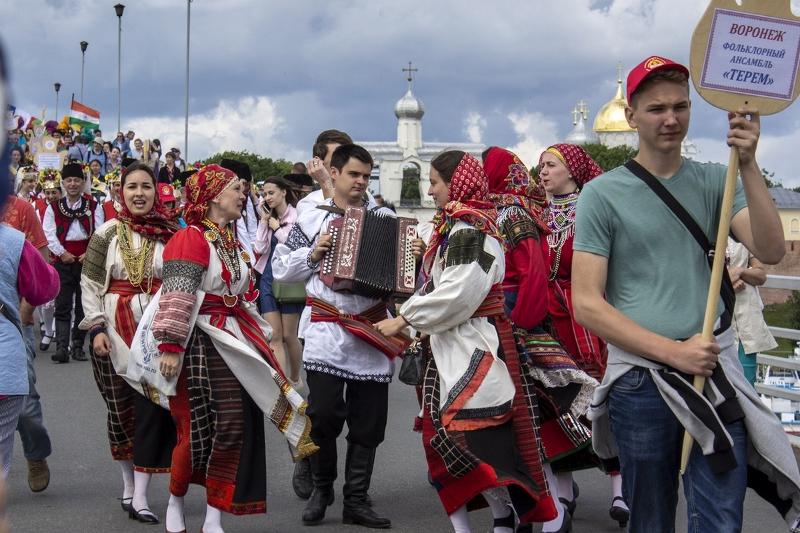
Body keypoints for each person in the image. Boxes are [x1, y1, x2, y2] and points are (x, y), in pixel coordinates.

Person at [573, 56, 800, 532]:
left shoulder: (719, 180)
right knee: (650, 519)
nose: (670, 118)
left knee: (720, 520)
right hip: (643, 380)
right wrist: (673, 352)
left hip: (712, 376)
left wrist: (749, 164)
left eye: (680, 106)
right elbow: (587, 303)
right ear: (631, 115)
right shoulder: (602, 194)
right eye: (656, 109)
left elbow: (771, 249)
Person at [376, 151, 556, 533]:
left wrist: (405, 318)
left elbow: (458, 292)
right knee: (455, 442)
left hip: (473, 341)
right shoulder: (456, 228)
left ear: (455, 183)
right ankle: (500, 517)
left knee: (468, 441)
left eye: (435, 182)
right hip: (451, 342)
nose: (430, 191)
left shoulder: (471, 230)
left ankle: (506, 517)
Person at [150, 164, 315, 533]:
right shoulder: (191, 237)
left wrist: (259, 333)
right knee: (195, 429)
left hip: (234, 341)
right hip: (199, 342)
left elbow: (242, 294)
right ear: (212, 197)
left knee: (233, 427)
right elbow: (177, 294)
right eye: (236, 189)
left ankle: (213, 516)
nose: (244, 196)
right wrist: (170, 345)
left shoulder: (230, 241)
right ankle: (176, 498)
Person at [273, 144, 395, 528]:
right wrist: (313, 253)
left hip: (371, 329)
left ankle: (356, 499)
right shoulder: (312, 217)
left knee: (369, 422)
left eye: (366, 176)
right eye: (354, 174)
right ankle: (322, 489)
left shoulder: (385, 218)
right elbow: (281, 268)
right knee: (323, 414)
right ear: (335, 173)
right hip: (327, 330)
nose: (361, 182)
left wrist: (412, 254)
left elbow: (403, 276)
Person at [80, 161, 179, 525]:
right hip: (114, 332)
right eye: (132, 187)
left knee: (153, 410)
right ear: (120, 192)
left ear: (157, 192)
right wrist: (96, 329)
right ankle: (128, 482)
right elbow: (90, 285)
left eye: (146, 186)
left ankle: (142, 493)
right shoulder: (106, 233)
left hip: (156, 331)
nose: (139, 193)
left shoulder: (171, 233)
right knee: (120, 410)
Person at [537, 143, 629, 528]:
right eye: (541, 166)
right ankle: (562, 488)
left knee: (604, 400)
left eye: (550, 165)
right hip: (549, 322)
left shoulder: (593, 212)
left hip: (588, 320)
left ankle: (621, 488)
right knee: (555, 403)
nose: (542, 172)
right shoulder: (538, 216)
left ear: (572, 171)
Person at [3, 168, 55, 493]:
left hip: (11, 320)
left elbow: (42, 264)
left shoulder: (20, 209)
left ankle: (35, 454)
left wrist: (24, 313)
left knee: (23, 399)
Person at [43, 162, 104, 363]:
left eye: (77, 180)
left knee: (83, 305)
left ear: (83, 182)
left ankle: (78, 346)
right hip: (63, 261)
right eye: (68, 180)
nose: (72, 184)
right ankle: (62, 347)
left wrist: (89, 253)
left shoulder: (94, 206)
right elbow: (48, 234)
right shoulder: (53, 207)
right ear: (63, 183)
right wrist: (62, 253)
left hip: (87, 259)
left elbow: (100, 233)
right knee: (62, 304)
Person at [254, 177, 304, 385]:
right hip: (267, 277)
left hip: (290, 279)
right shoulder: (269, 218)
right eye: (265, 194)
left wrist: (277, 228)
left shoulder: (298, 215)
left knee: (289, 335)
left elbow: (297, 246)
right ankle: (283, 387)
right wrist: (264, 222)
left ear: (284, 192)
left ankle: (295, 378)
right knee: (274, 335)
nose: (267, 197)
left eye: (271, 192)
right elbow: (259, 248)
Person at [726, 237, 777, 385]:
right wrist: (726, 282)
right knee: (722, 381)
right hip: (719, 320)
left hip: (746, 321)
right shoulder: (706, 234)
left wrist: (740, 271)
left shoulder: (742, 238)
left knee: (747, 381)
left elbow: (761, 276)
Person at [296, 129, 353, 215]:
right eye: (338, 157)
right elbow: (337, 221)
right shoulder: (308, 204)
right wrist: (326, 183)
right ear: (318, 162)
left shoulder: (365, 196)